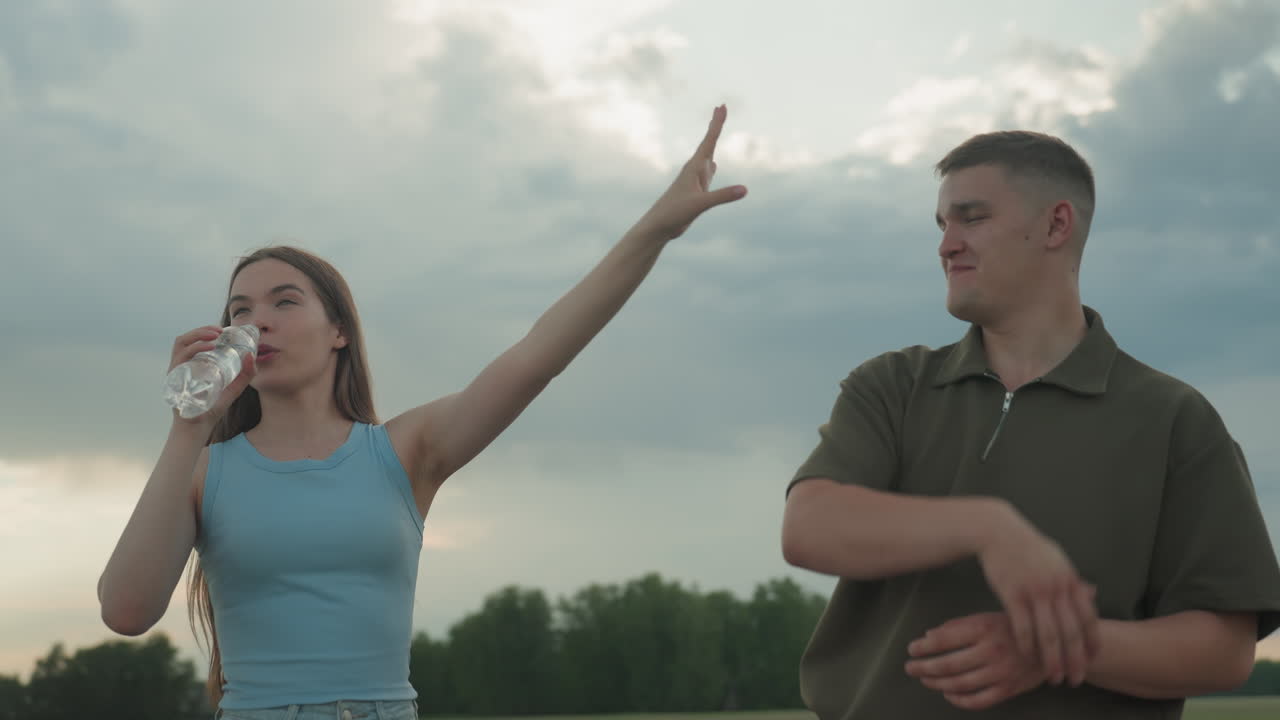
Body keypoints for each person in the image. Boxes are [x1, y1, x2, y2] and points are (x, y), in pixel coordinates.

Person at [97, 106, 747, 718]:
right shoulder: (203, 469)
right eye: (239, 310)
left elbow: (537, 356)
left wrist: (655, 229)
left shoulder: (405, 450)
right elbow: (126, 610)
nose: (255, 321)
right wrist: (188, 426)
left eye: (284, 302)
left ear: (338, 331)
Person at [781, 130, 1280, 719]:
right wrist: (988, 528)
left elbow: (1223, 652)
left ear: (1056, 226)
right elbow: (809, 527)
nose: (946, 245)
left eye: (970, 218)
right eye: (941, 225)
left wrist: (1061, 650)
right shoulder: (893, 386)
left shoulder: (1175, 420)